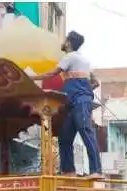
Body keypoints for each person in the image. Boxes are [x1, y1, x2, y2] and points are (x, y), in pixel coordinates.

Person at [31, 30, 102, 178]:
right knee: (65, 136)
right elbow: (95, 82)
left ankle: (96, 171)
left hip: (80, 101)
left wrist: (31, 77)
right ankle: (68, 171)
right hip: (72, 102)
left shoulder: (70, 57)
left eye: (65, 40)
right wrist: (86, 88)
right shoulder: (84, 61)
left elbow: (51, 74)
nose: (63, 43)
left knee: (85, 131)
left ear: (69, 43)